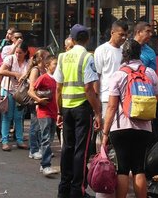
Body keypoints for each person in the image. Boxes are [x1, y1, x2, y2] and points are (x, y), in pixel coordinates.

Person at [101, 39, 158, 198]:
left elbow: (112, 107)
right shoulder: (149, 72)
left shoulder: (118, 75)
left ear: (124, 54)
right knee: (139, 168)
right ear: (139, 53)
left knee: (122, 168)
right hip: (144, 128)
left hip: (120, 128)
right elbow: (157, 96)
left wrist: (105, 132)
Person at [54, 24, 102, 198]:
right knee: (81, 151)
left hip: (66, 108)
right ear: (87, 39)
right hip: (82, 108)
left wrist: (58, 111)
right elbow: (89, 88)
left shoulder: (62, 57)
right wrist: (97, 112)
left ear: (72, 40)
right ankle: (77, 190)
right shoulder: (88, 57)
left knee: (67, 148)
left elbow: (58, 88)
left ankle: (64, 189)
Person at [29, 55, 60, 177]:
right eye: (55, 64)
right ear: (47, 65)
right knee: (46, 138)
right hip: (44, 113)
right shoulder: (43, 78)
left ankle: (43, 164)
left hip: (54, 112)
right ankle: (46, 165)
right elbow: (30, 91)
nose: (57, 66)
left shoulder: (58, 79)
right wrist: (39, 100)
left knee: (49, 139)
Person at [0, 40, 31, 151]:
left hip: (21, 93)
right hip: (8, 90)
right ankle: (5, 141)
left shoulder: (29, 62)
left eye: (20, 53)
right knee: (7, 116)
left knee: (18, 117)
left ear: (26, 52)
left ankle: (19, 140)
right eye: (16, 52)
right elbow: (1, 71)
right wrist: (15, 74)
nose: (17, 54)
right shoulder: (10, 59)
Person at [94, 20, 128, 115]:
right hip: (106, 98)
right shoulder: (101, 50)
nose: (124, 38)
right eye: (121, 34)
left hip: (123, 98)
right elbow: (97, 76)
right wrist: (97, 100)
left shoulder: (124, 52)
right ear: (112, 33)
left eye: (126, 35)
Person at [26, 49, 50, 159]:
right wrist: (37, 100)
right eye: (47, 57)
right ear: (41, 58)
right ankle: (33, 150)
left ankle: (42, 149)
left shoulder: (45, 69)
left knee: (43, 126)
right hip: (36, 101)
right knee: (35, 126)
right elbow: (32, 89)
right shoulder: (35, 70)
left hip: (44, 101)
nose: (49, 59)